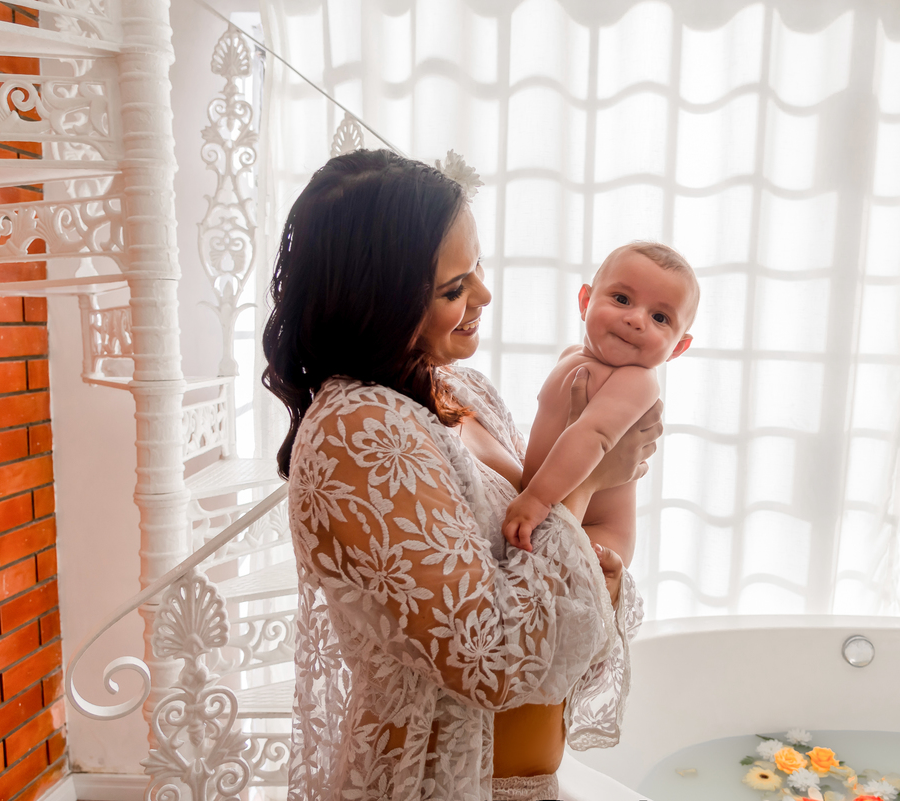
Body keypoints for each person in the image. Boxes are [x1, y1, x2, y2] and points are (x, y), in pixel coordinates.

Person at [262, 149, 658, 801]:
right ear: (378, 298)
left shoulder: (464, 389)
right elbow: (491, 661)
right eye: (454, 287)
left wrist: (602, 562)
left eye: (477, 268)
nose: (484, 295)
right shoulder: (359, 429)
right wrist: (587, 480)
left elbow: (555, 613)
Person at [502, 242, 699, 566]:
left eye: (660, 317)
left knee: (553, 585)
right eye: (622, 299)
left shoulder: (636, 380)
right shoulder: (570, 357)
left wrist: (537, 497)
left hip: (600, 531)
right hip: (551, 503)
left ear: (678, 347)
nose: (636, 319)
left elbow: (592, 435)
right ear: (585, 301)